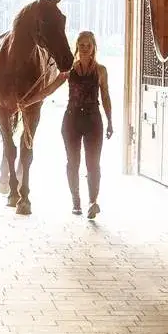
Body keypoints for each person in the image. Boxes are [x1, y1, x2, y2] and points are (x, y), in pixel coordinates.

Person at [44, 31, 113, 218]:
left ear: (93, 48)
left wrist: (110, 121)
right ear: (77, 47)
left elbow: (105, 96)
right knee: (73, 163)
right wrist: (28, 100)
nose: (84, 48)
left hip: (93, 121)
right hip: (71, 121)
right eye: (81, 45)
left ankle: (93, 202)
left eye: (88, 45)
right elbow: (50, 89)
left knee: (93, 164)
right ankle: (76, 202)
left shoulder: (101, 71)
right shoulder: (69, 70)